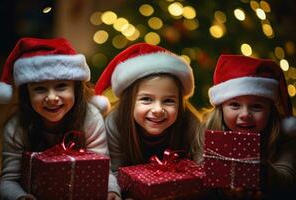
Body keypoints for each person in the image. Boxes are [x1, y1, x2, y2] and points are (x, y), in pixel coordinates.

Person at [0, 38, 121, 200]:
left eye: (61, 86)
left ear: (76, 89)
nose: (52, 98)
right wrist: (19, 196)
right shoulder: (17, 127)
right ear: (27, 95)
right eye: (39, 89)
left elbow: (103, 171)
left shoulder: (90, 118)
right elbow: (9, 180)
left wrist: (112, 191)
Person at [94, 43, 203, 196]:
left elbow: (203, 168)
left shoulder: (191, 124)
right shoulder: (115, 124)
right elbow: (113, 170)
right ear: (129, 101)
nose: (158, 110)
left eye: (169, 101)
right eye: (146, 99)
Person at [203, 54, 296, 199]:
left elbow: (287, 178)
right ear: (221, 109)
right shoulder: (206, 134)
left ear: (270, 111)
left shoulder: (285, 140)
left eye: (257, 106)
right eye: (235, 105)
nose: (245, 114)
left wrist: (256, 167)